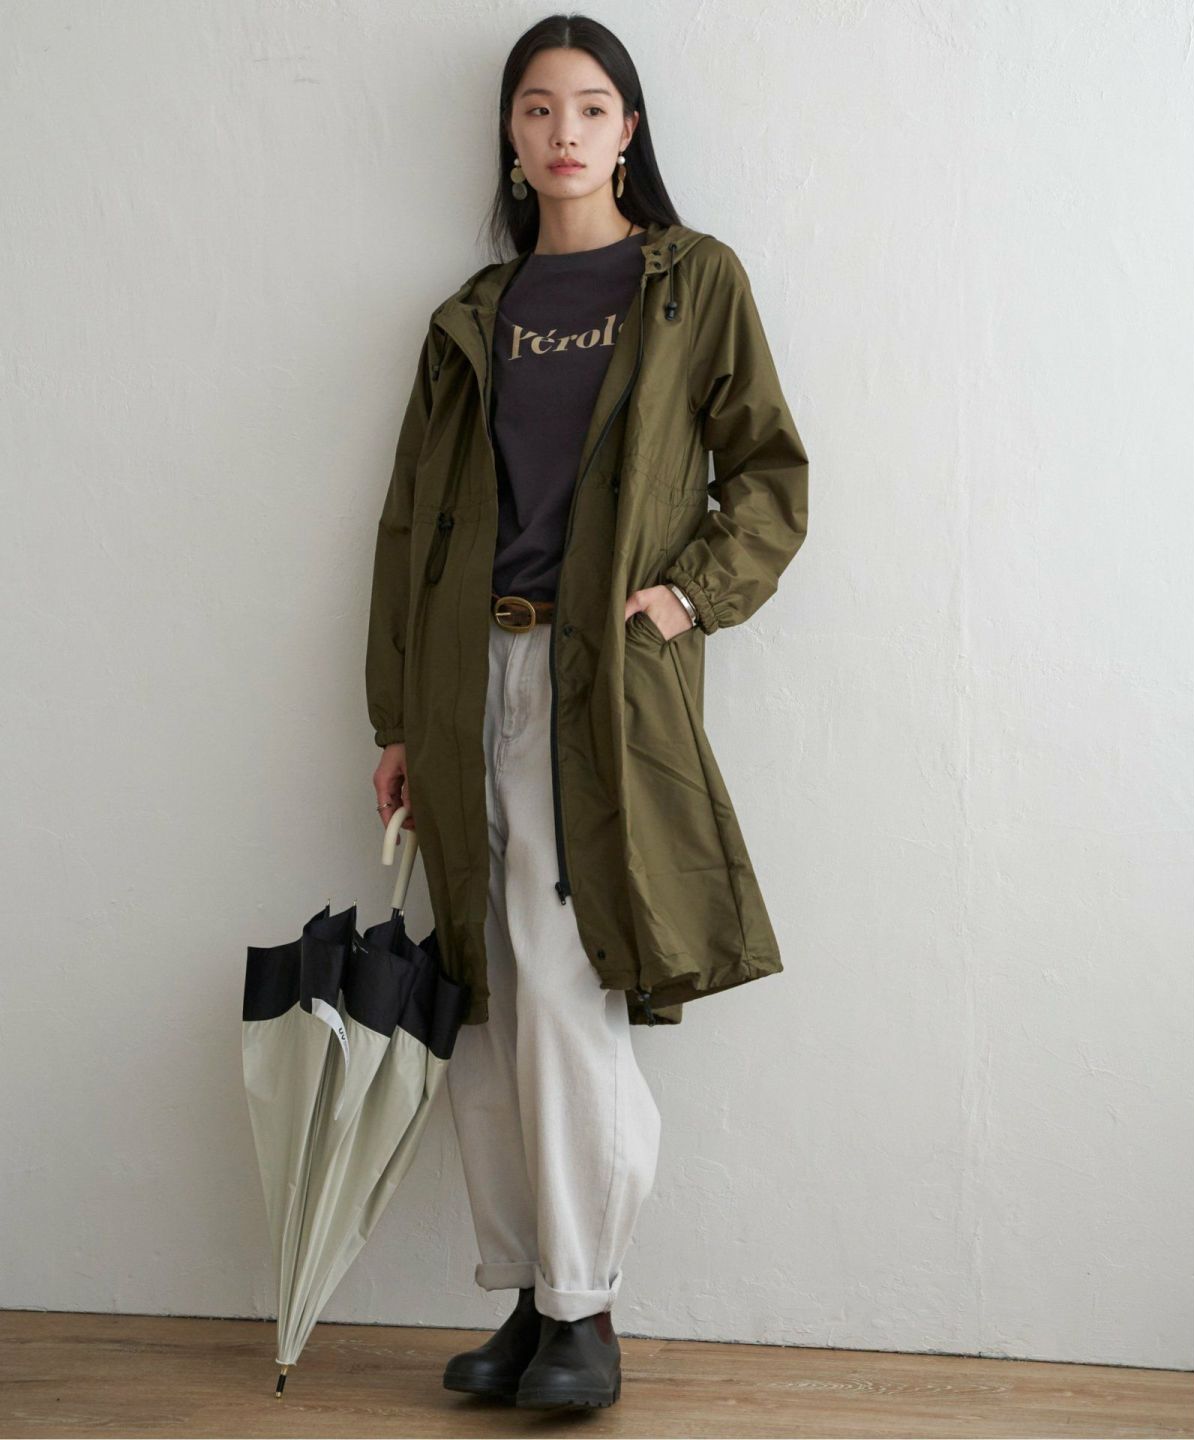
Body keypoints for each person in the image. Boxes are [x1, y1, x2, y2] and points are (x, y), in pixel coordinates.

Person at [364, 13, 809, 1413]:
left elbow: (770, 475)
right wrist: (397, 718)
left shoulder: (690, 283)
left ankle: (587, 1310)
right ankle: (529, 1297)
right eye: (539, 108)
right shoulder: (472, 313)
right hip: (469, 674)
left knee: (564, 983)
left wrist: (688, 599)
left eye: (594, 107)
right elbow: (410, 528)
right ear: (510, 135)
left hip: (599, 684)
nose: (566, 132)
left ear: (630, 132)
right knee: (484, 993)